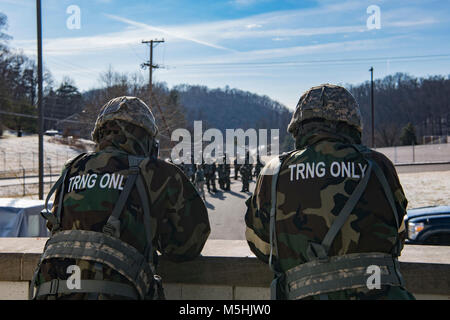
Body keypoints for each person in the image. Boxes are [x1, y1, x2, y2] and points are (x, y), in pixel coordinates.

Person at [30, 96, 210, 300]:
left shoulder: (72, 168)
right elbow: (188, 246)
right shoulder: (158, 173)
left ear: (99, 134)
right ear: (147, 138)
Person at [245, 84, 414, 300]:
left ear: (299, 126)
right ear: (352, 124)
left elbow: (262, 246)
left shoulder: (275, 171)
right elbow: (398, 237)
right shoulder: (379, 166)